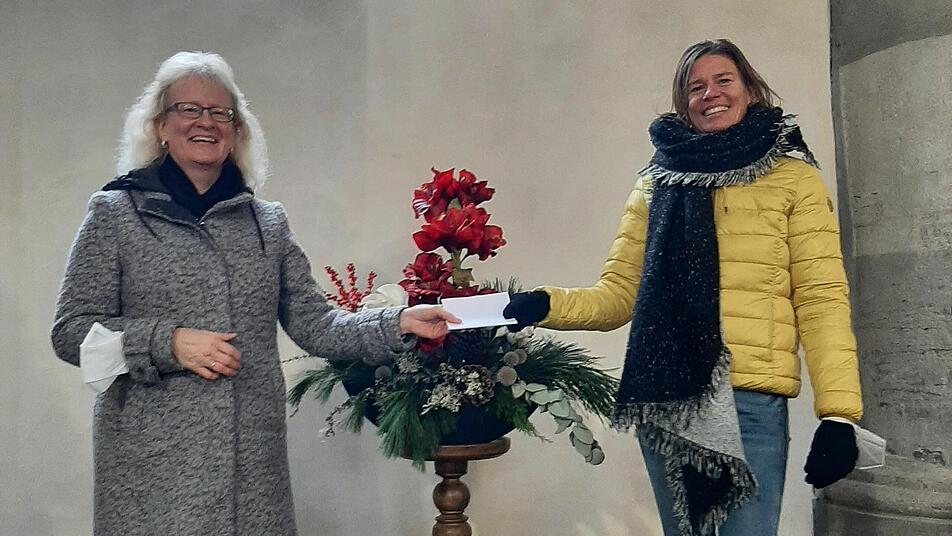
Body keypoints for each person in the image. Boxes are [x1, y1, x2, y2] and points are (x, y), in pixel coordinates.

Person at [51, 51, 457, 536]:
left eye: (220, 112)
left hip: (251, 472)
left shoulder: (268, 222)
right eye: (188, 109)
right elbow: (72, 331)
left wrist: (398, 322)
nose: (205, 122)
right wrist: (168, 342)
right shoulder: (115, 213)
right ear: (160, 126)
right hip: (151, 472)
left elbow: (316, 324)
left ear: (237, 130)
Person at [504, 39, 861, 536]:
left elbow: (821, 300)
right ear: (683, 101)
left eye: (723, 80)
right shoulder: (655, 183)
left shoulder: (793, 179)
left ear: (750, 89)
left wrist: (839, 414)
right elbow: (619, 295)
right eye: (696, 87)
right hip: (669, 400)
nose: (710, 94)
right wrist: (544, 303)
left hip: (750, 403)